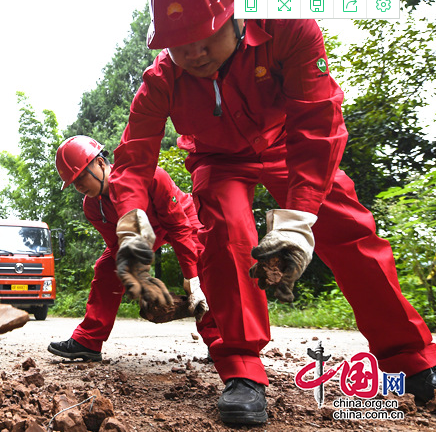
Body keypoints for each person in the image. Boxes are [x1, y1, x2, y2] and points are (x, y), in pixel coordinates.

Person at [107, 0, 436, 425]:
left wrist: (298, 222)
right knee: (227, 232)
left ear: (235, 16)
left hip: (289, 146)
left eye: (206, 37)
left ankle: (408, 357)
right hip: (218, 160)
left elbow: (318, 124)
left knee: (348, 227)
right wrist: (133, 229)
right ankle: (241, 369)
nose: (194, 53)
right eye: (178, 44)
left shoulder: (290, 28)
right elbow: (133, 162)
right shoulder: (161, 81)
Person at [48, 135, 219, 362]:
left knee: (203, 266)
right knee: (106, 267)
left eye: (80, 176)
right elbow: (120, 249)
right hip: (141, 235)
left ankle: (218, 344)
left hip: (180, 219)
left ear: (100, 163)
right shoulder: (92, 207)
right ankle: (87, 341)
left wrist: (192, 278)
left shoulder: (150, 176)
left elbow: (179, 228)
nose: (78, 186)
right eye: (73, 182)